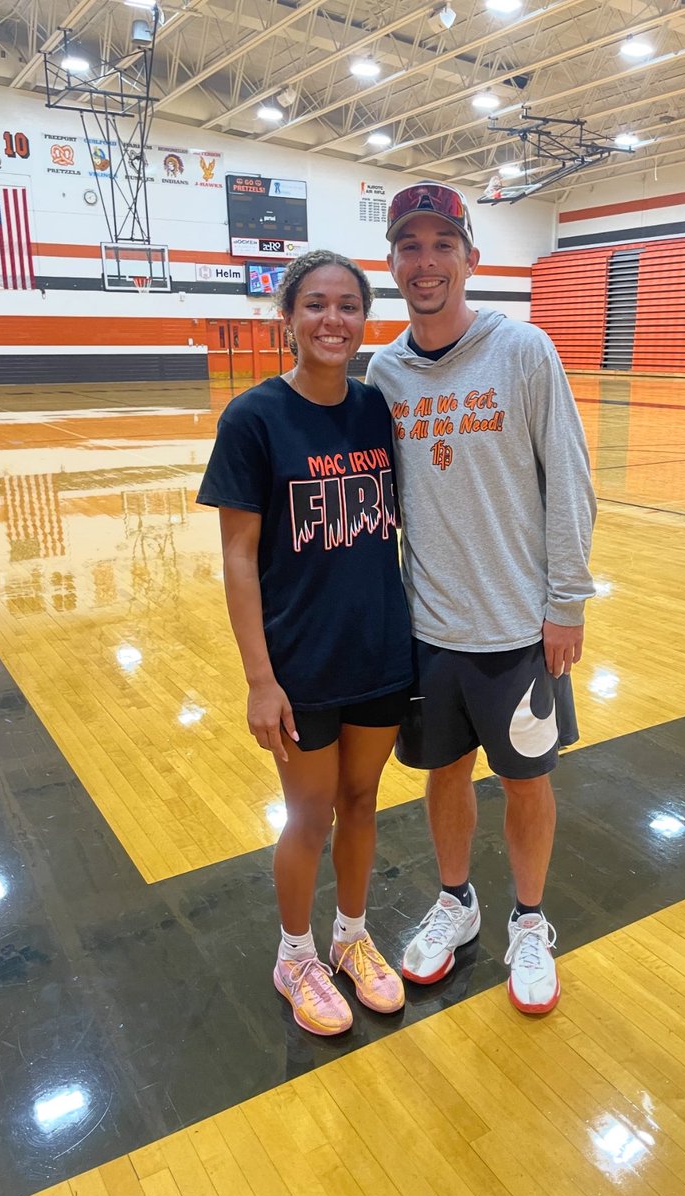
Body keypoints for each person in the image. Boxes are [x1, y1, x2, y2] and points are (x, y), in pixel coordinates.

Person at [366, 182, 596, 1014]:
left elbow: (569, 481)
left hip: (518, 629)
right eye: (409, 246)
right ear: (391, 262)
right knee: (444, 773)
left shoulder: (525, 351)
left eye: (440, 244)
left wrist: (566, 601)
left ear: (472, 257)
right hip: (430, 631)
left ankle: (529, 923)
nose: (425, 262)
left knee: (528, 782)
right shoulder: (385, 370)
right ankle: (456, 903)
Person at [197, 250, 412, 1036]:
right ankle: (295, 955)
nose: (333, 320)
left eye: (348, 306)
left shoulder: (377, 409)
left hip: (381, 649)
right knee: (309, 814)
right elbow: (237, 557)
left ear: (365, 319)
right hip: (301, 661)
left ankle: (352, 939)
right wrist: (260, 678)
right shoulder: (253, 419)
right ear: (286, 316)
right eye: (315, 304)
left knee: (362, 801)